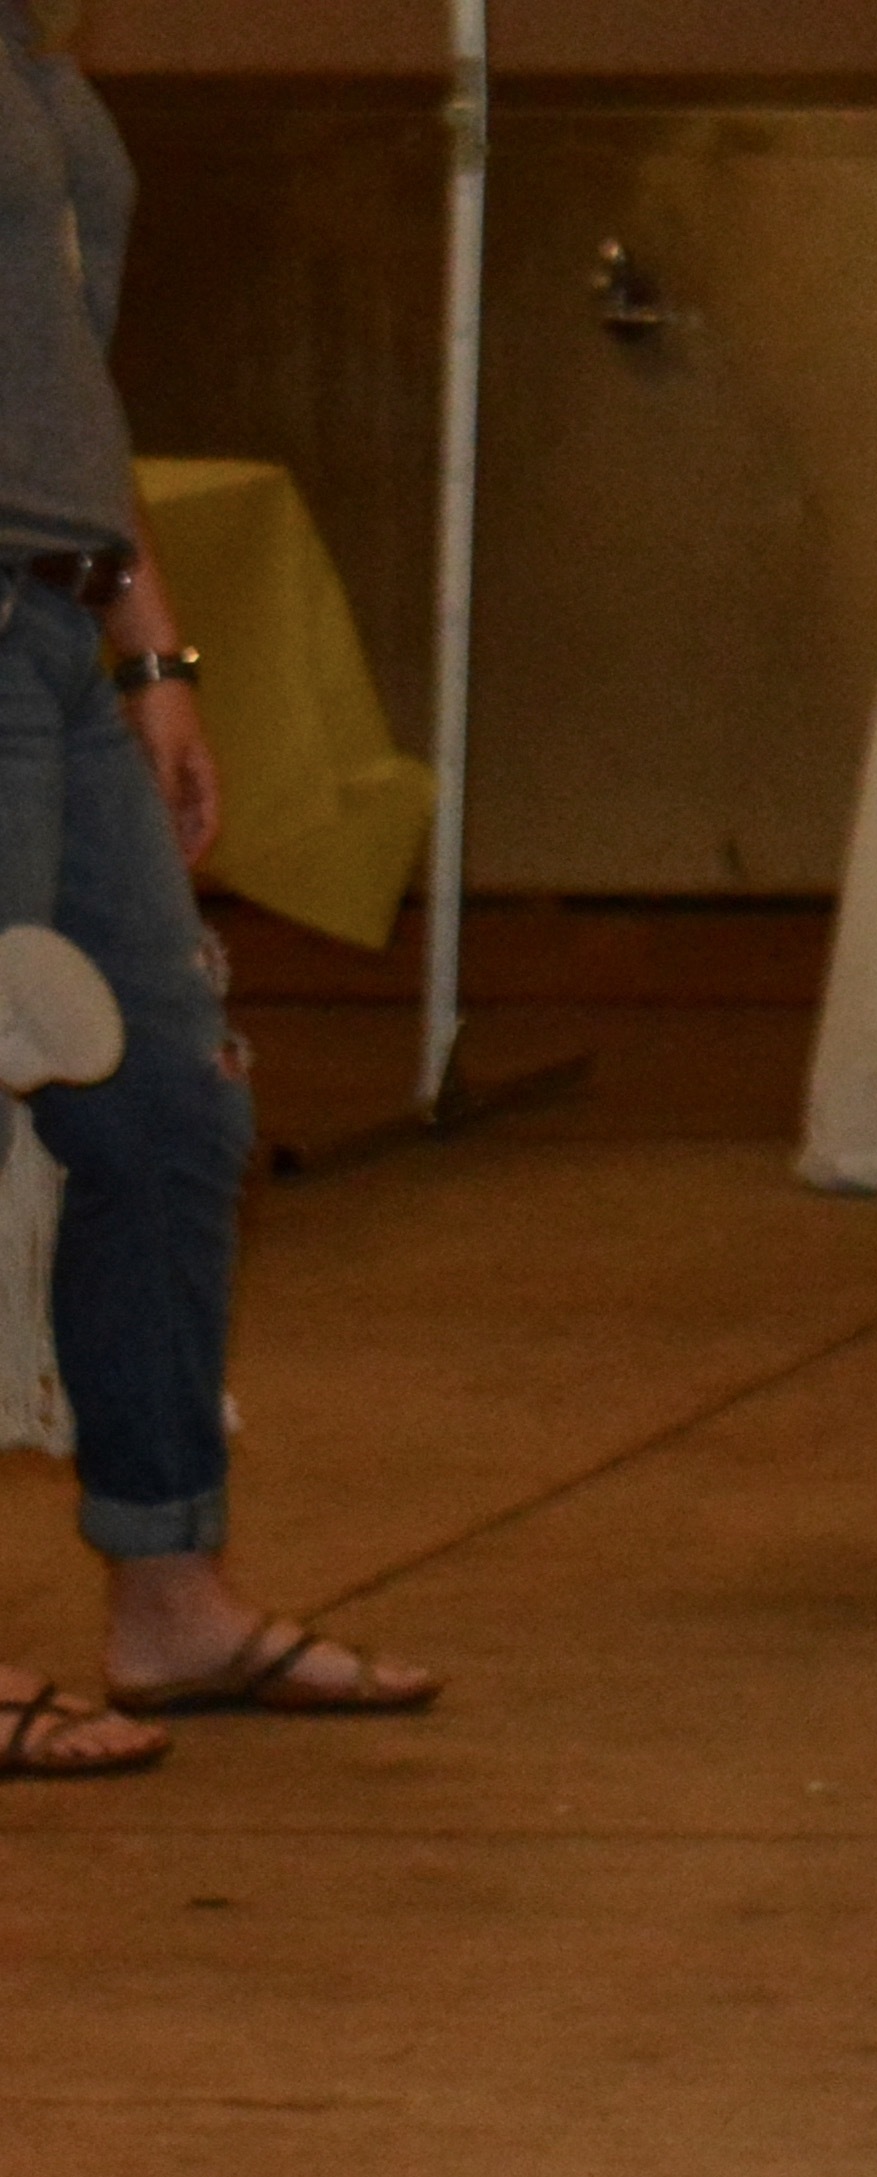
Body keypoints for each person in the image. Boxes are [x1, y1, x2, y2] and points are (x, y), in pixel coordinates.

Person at [0, 14, 439, 1775]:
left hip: (54, 606)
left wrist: (148, 646)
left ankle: (168, 1587)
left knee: (171, 1097)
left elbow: (63, 371)